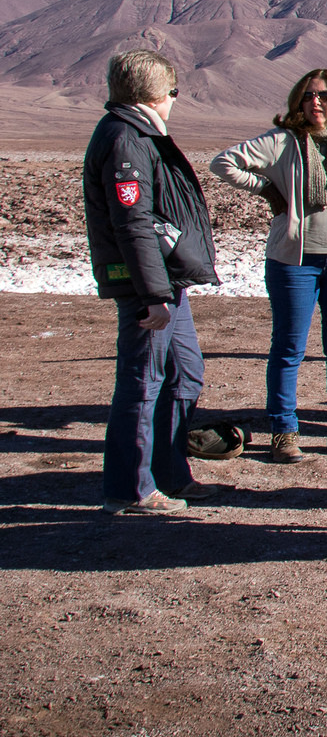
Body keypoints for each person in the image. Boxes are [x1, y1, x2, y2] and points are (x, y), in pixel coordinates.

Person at [209, 69, 327, 463]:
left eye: (325, 96)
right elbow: (223, 162)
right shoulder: (282, 143)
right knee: (289, 347)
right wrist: (267, 189)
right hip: (293, 262)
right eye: (309, 96)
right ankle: (283, 430)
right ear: (299, 101)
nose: (316, 102)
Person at [83, 49, 224, 515]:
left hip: (165, 281)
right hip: (150, 286)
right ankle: (130, 490)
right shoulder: (127, 138)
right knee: (143, 382)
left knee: (184, 373)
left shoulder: (141, 133)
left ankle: (169, 473)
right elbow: (133, 223)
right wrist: (154, 295)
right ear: (157, 93)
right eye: (174, 91)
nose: (175, 100)